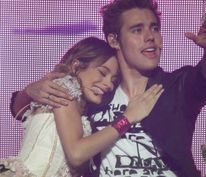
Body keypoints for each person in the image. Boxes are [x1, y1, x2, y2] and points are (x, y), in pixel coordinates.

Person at [9, 0, 206, 176]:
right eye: (136, 30)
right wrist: (29, 91)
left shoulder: (176, 86)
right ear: (114, 40)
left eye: (154, 28)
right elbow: (29, 114)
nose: (150, 37)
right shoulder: (97, 93)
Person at [1, 36, 163, 177]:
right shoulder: (64, 88)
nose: (108, 85)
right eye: (102, 72)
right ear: (76, 66)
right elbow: (77, 154)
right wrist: (127, 119)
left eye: (113, 80)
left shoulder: (84, 106)